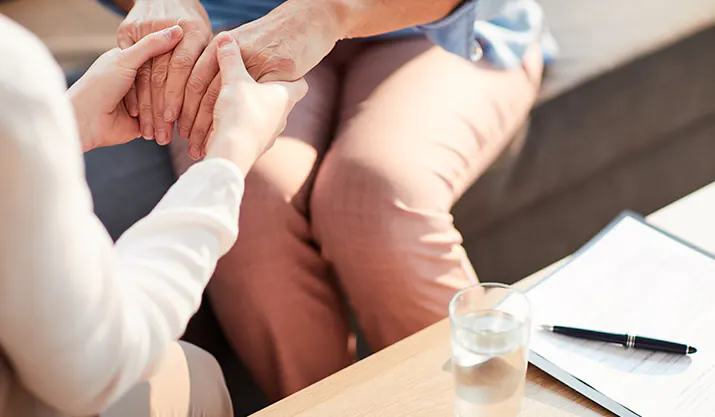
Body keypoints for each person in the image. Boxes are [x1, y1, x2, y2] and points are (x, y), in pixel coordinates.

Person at [103, 0, 553, 401]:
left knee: (375, 199)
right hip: (237, 29)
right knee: (245, 200)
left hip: (431, 28)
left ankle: (479, 403)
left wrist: (328, 12)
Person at [0, 17, 306, 417]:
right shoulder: (14, 72)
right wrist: (230, 154)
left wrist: (66, 122)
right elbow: (93, 369)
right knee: (194, 375)